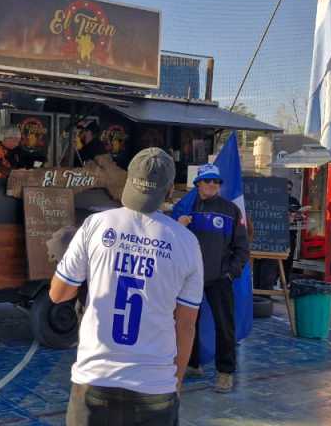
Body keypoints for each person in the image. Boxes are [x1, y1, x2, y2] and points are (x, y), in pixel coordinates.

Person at [49, 148, 203, 425]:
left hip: (94, 380)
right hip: (155, 385)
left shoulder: (95, 225)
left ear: (129, 181)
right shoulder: (187, 242)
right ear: (169, 190)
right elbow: (186, 325)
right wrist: (176, 382)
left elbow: (58, 294)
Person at [172, 164, 250, 393]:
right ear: (197, 184)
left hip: (219, 278)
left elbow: (242, 247)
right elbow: (169, 240)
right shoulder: (184, 208)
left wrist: (230, 273)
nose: (213, 185)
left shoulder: (230, 210)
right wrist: (178, 226)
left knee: (224, 325)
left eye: (216, 181)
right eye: (208, 181)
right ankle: (192, 364)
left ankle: (225, 372)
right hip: (189, 278)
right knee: (186, 323)